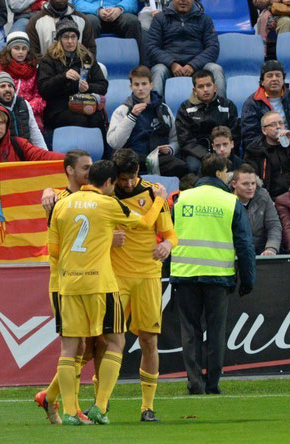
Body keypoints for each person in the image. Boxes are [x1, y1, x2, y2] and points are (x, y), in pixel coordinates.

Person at [47, 159, 167, 424]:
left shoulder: (61, 204)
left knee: (70, 349)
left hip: (67, 284)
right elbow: (146, 222)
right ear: (110, 182)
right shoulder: (110, 204)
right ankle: (100, 408)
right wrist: (160, 199)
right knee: (115, 342)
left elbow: (53, 251)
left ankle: (69, 413)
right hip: (101, 284)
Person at [171, 154, 255, 395]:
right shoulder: (230, 201)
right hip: (218, 276)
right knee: (216, 332)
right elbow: (245, 245)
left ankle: (195, 383)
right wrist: (248, 279)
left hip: (185, 275)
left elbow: (168, 234)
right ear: (220, 173)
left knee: (190, 331)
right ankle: (212, 383)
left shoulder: (181, 198)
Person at [110, 148, 177, 421]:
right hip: (115, 277)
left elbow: (171, 234)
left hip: (148, 275)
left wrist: (167, 245)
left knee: (149, 340)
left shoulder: (152, 192)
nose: (128, 184)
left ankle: (147, 407)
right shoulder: (105, 194)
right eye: (123, 179)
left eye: (132, 177)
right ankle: (101, 403)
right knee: (108, 342)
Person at [35, 149, 94, 425]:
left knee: (82, 347)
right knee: (72, 346)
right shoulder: (56, 199)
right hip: (62, 283)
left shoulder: (95, 199)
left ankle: (49, 397)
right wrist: (48, 190)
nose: (89, 172)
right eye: (84, 167)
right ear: (69, 170)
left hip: (85, 281)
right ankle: (72, 409)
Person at [107, 65, 187, 177]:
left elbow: (175, 138)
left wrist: (170, 149)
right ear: (131, 87)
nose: (140, 88)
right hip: (132, 160)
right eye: (136, 84)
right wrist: (131, 117)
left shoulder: (164, 108)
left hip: (159, 159)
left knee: (181, 166)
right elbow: (114, 143)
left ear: (151, 85)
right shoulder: (123, 110)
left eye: (144, 84)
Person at [37, 18, 108, 134]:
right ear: (59, 39)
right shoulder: (49, 59)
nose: (70, 41)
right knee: (80, 120)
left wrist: (88, 88)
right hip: (59, 108)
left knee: (97, 119)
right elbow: (44, 89)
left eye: (73, 37)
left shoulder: (86, 57)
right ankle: (77, 152)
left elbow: (103, 85)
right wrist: (63, 77)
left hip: (84, 103)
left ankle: (102, 152)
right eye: (66, 37)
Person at [146, 0, 224, 98]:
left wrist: (193, 65)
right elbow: (151, 47)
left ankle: (222, 109)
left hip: (198, 68)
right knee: (158, 70)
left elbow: (213, 48)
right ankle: (155, 110)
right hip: (168, 68)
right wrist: (172, 64)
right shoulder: (159, 18)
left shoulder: (205, 19)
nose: (183, 1)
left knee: (216, 69)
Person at [175, 69, 240, 175]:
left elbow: (235, 134)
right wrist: (207, 156)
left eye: (208, 85)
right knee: (194, 168)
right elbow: (185, 140)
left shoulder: (228, 106)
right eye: (200, 87)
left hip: (223, 149)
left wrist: (221, 151)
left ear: (215, 87)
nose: (205, 89)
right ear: (194, 90)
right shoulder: (185, 108)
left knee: (237, 166)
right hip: (197, 154)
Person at [241, 60, 290, 149]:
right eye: (269, 76)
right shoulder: (252, 103)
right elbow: (249, 138)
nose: (274, 79)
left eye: (278, 75)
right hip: (266, 152)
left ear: (283, 80)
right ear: (262, 81)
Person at [0, 31, 46, 131]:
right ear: (9, 50)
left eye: (24, 48)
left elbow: (39, 96)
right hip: (4, 111)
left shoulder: (34, 70)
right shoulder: (0, 69)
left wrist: (26, 108)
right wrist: (6, 109)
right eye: (16, 48)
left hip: (28, 110)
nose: (21, 52)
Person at [0, 71, 47, 148]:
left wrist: (45, 154)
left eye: (10, 86)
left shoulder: (24, 104)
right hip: (2, 158)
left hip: (25, 155)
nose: (7, 89)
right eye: (2, 86)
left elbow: (35, 134)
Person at [229, 163, 281, 255]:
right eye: (245, 184)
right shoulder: (224, 198)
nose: (251, 188)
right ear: (234, 184)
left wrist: (271, 248)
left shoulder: (263, 196)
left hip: (259, 250)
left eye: (253, 183)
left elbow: (274, 225)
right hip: (232, 251)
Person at [26, 0, 96, 61]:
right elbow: (33, 53)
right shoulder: (35, 21)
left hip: (76, 69)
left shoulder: (82, 20)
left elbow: (90, 50)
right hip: (46, 71)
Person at [73, 0, 142, 57]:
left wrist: (119, 9)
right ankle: (88, 63)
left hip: (118, 13)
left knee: (132, 21)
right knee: (89, 22)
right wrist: (98, 10)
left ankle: (134, 65)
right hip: (93, 13)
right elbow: (77, 3)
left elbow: (132, 1)